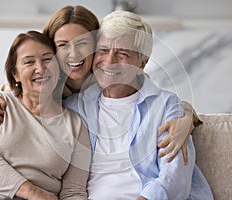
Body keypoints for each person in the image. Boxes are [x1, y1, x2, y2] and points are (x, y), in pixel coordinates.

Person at [0, 5, 196, 163]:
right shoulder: (39, 85)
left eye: (83, 43)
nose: (73, 54)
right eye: (63, 45)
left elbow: (160, 100)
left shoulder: (112, 78)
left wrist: (185, 119)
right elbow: (1, 98)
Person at [64, 10, 213, 199]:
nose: (109, 61)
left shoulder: (166, 106)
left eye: (122, 54)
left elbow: (175, 178)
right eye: (102, 50)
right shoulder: (75, 107)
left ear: (142, 63)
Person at [0, 31, 91, 199]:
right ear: (15, 74)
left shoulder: (76, 126)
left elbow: (74, 191)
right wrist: (33, 193)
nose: (40, 68)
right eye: (29, 62)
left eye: (47, 59)